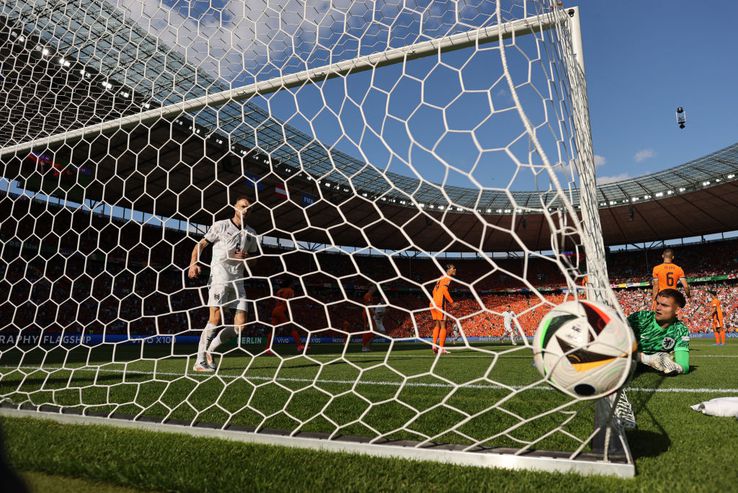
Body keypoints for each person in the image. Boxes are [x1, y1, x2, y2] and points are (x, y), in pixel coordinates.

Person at [187, 196, 259, 372]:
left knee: (240, 326)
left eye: (249, 208)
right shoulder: (221, 225)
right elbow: (201, 244)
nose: (245, 210)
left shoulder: (251, 233)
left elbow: (255, 261)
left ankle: (211, 350)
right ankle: (199, 361)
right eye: (242, 206)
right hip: (220, 277)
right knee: (215, 318)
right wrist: (193, 263)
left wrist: (247, 258)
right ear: (235, 207)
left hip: (238, 280)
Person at [628, 288, 690, 375]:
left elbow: (684, 365)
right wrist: (648, 359)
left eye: (664, 305)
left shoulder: (680, 330)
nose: (658, 308)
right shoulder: (640, 318)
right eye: (657, 303)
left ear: (677, 310)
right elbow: (614, 345)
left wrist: (675, 367)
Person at [267, 278, 304, 354]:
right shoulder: (290, 290)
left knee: (273, 330)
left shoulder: (279, 291)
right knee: (291, 328)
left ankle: (268, 349)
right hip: (282, 310)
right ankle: (299, 346)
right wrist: (287, 313)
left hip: (275, 310)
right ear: (290, 284)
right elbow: (288, 301)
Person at [430, 264, 456, 354]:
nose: (455, 269)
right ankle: (441, 348)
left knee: (437, 325)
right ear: (448, 270)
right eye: (453, 268)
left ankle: (434, 345)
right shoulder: (448, 278)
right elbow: (445, 291)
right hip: (440, 304)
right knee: (443, 326)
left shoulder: (440, 278)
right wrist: (452, 302)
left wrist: (435, 299)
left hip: (433, 303)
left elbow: (433, 291)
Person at [361, 285, 387, 352]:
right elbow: (369, 306)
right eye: (374, 288)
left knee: (372, 330)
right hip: (367, 314)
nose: (375, 290)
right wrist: (375, 314)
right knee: (370, 330)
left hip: (368, 314)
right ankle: (365, 347)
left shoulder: (369, 296)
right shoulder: (368, 295)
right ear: (370, 288)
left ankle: (366, 346)